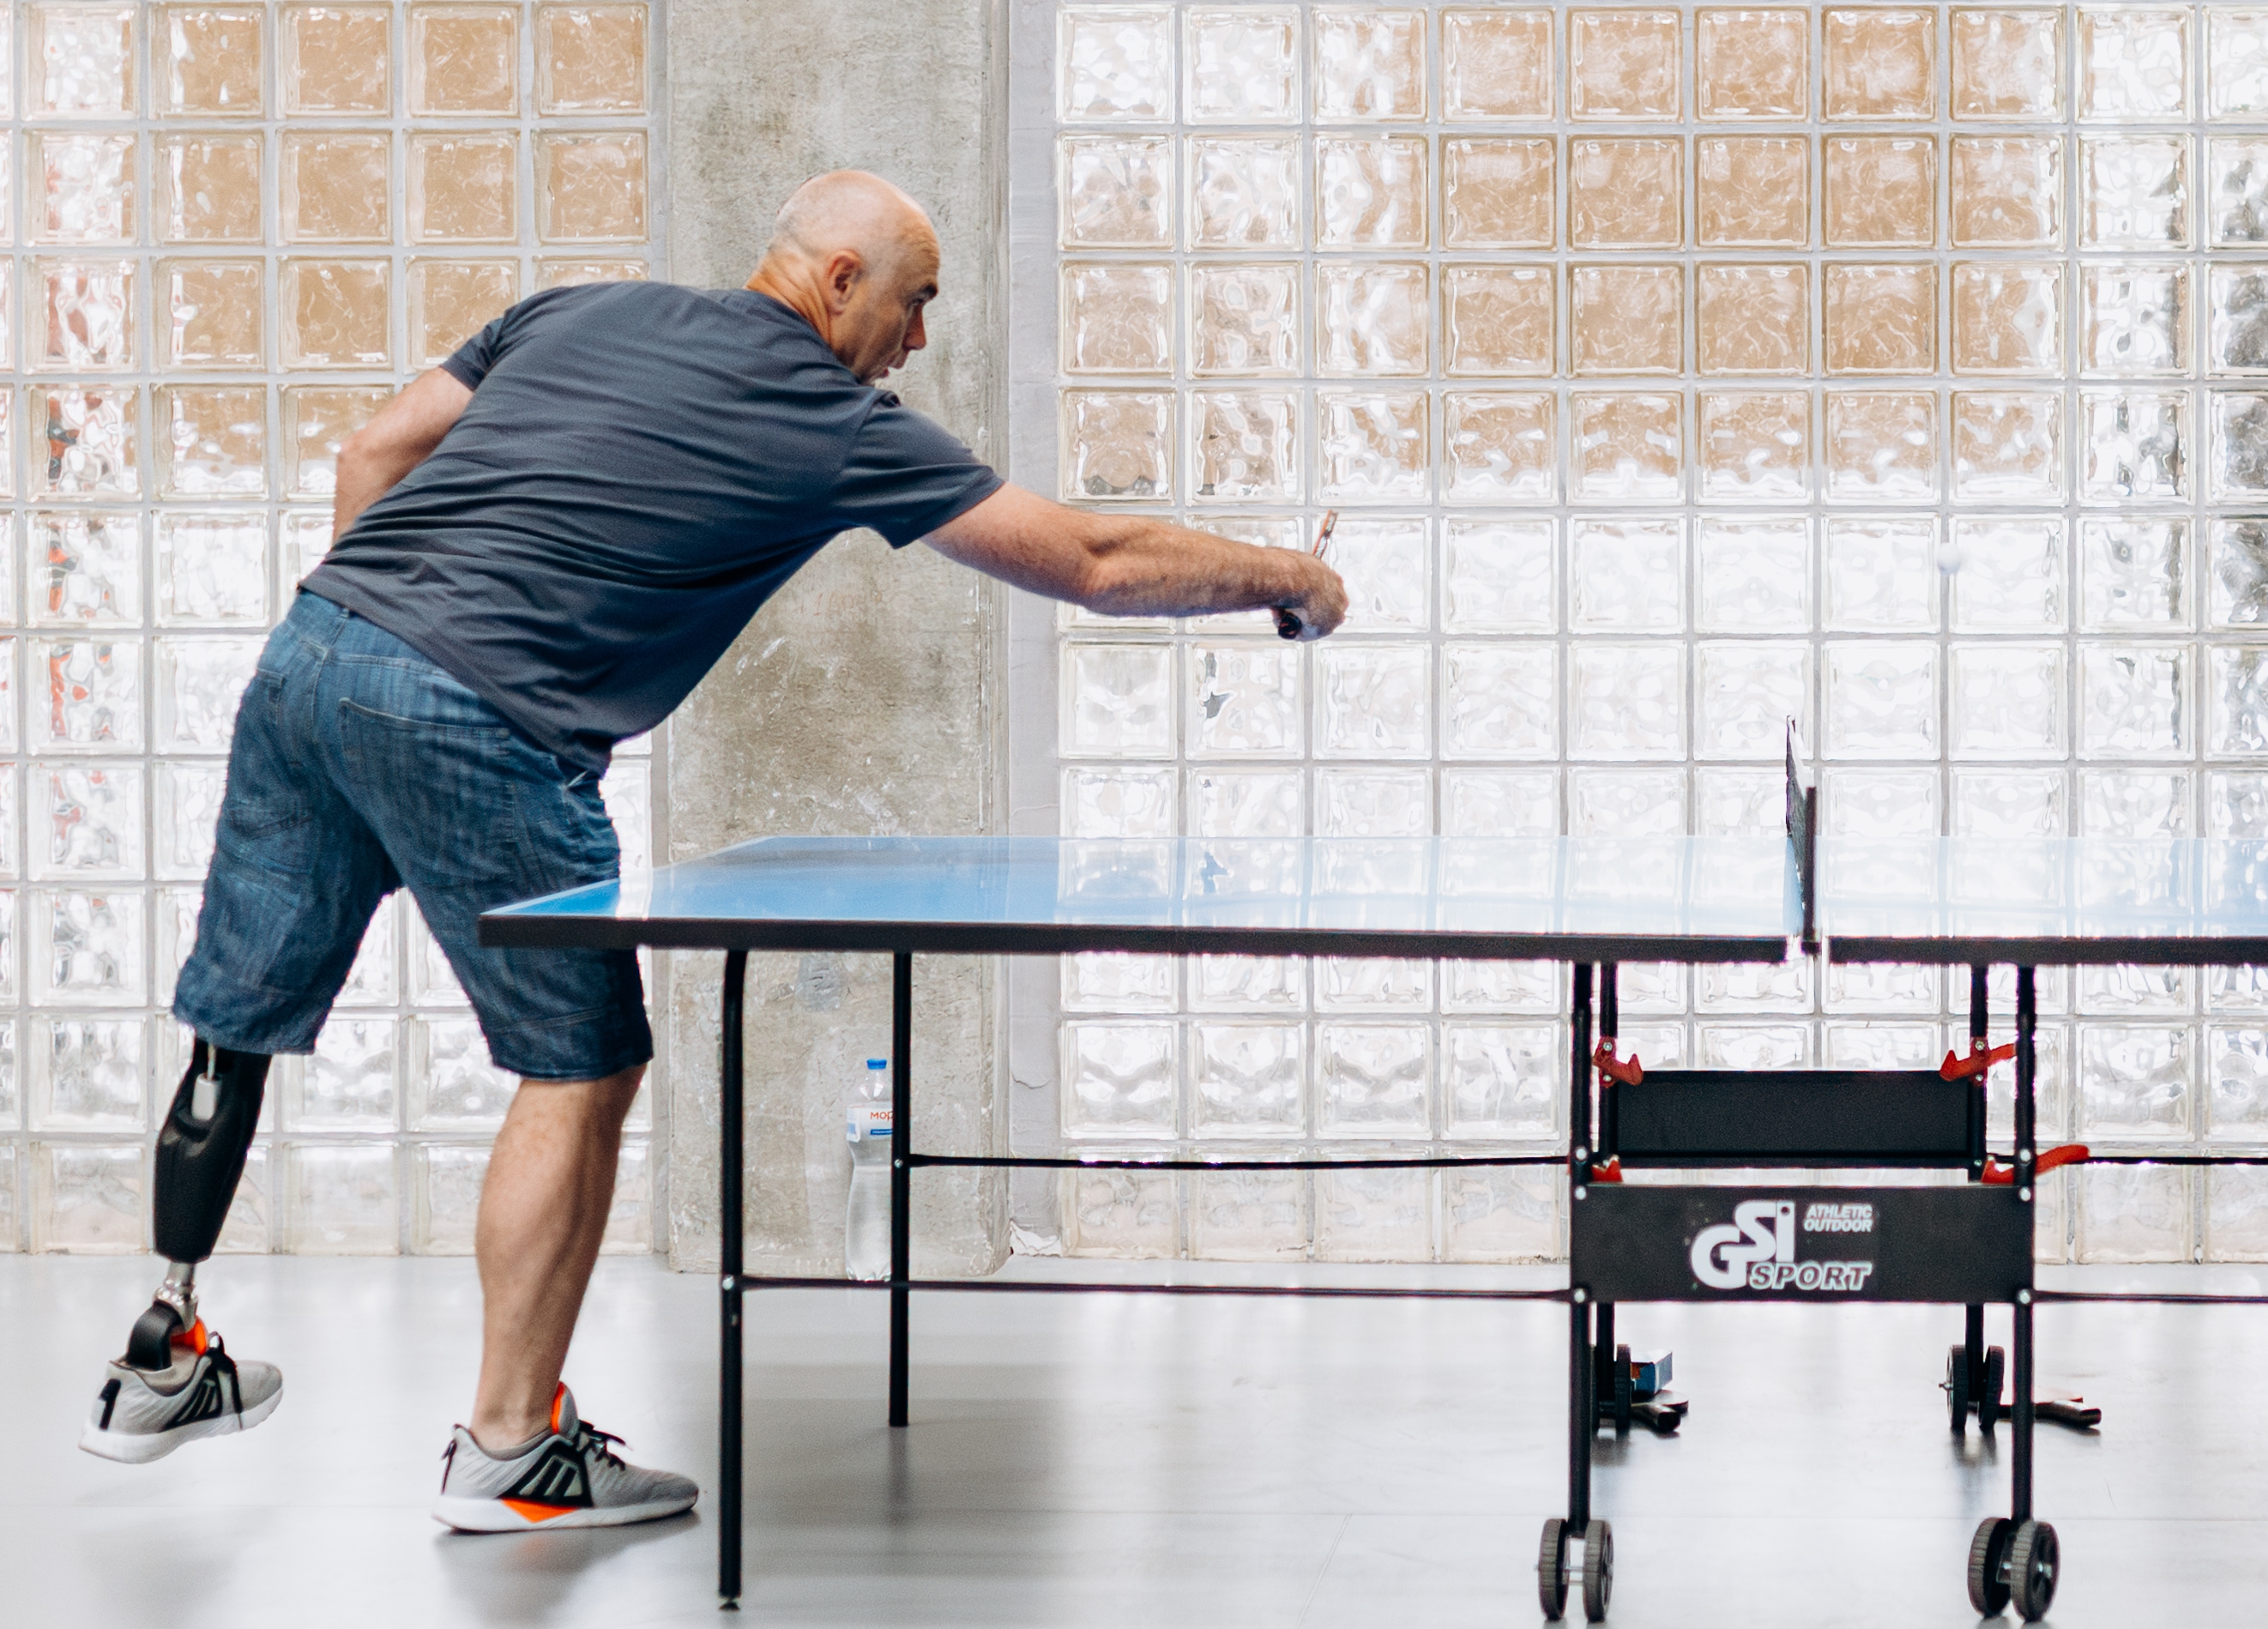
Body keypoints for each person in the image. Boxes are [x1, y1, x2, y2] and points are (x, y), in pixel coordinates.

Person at [79, 171, 1347, 1529]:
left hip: (312, 653)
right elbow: (1087, 557)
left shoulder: (574, 310)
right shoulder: (831, 421)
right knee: (580, 1065)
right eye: (916, 303)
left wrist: (376, 650)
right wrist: (1292, 577)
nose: (919, 340)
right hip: (484, 710)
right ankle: (510, 1443)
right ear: (842, 282)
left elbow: (370, 454)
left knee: (235, 1021)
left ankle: (163, 1350)